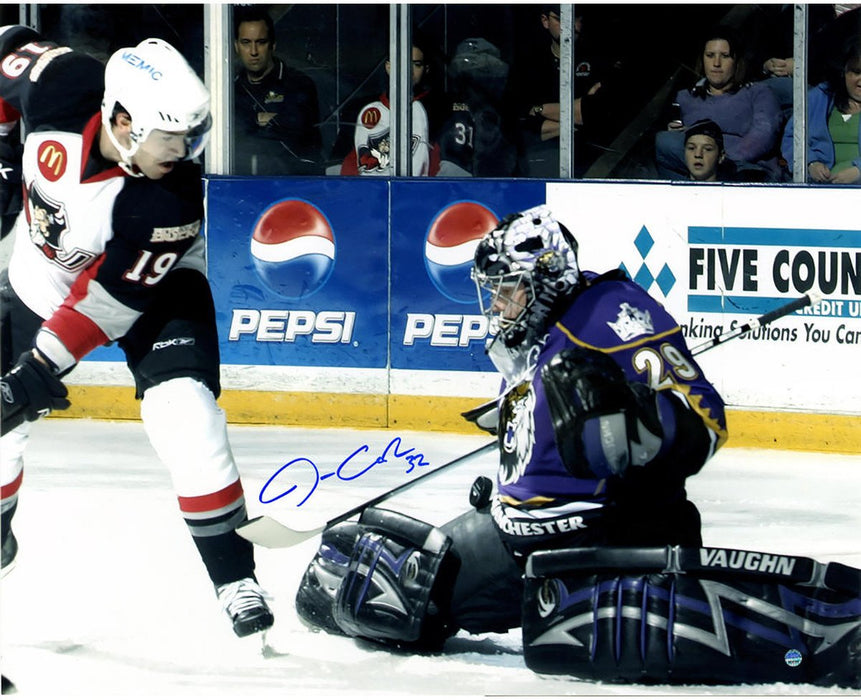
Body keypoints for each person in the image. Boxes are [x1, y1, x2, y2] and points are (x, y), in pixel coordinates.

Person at [290, 205, 861, 687]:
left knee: (581, 650)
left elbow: (704, 421)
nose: (497, 304)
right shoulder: (531, 340)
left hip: (608, 532)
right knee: (384, 602)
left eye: (509, 289)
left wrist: (627, 421)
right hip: (520, 536)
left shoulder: (609, 312)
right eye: (495, 291)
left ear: (545, 278)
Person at [0, 25, 273, 638]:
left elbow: (109, 302)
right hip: (37, 279)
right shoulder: (62, 83)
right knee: (1, 438)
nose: (186, 148)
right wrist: (1, 149)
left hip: (154, 293)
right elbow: (5, 47)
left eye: (190, 133)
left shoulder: (170, 198)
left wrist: (40, 370)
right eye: (171, 133)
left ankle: (235, 578)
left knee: (187, 417)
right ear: (122, 119)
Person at [508, 5, 626, 177]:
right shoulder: (530, 66)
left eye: (577, 19)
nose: (572, 26)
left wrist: (540, 109)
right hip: (538, 159)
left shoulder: (600, 62)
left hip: (592, 160)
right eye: (562, 18)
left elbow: (597, 113)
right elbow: (520, 123)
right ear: (545, 21)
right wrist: (578, 115)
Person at [655, 25, 784, 182]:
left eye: (725, 56)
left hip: (745, 169)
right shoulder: (685, 97)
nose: (716, 63)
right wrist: (679, 135)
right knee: (665, 141)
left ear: (737, 61)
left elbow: (765, 132)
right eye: (710, 55)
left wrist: (721, 158)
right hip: (702, 166)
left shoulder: (758, 92)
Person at [233, 5, 322, 175]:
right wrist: (262, 121)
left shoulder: (298, 84)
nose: (253, 51)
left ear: (272, 45)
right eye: (246, 43)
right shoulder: (230, 89)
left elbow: (298, 134)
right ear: (236, 46)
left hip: (290, 184)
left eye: (261, 42)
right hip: (242, 184)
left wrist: (248, 123)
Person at [340, 42, 438, 176]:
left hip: (421, 193)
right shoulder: (359, 108)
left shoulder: (438, 109)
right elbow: (338, 166)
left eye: (416, 64)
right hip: (367, 193)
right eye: (401, 63)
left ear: (426, 69)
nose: (408, 70)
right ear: (388, 67)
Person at [781, 38, 861, 184]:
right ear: (844, 71)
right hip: (818, 189)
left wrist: (858, 172)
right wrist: (810, 163)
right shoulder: (821, 96)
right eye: (856, 72)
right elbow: (792, 137)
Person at [435, 37, 518, 177]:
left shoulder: (502, 109)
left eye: (481, 70)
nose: (474, 76)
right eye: (466, 71)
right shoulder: (443, 104)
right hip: (451, 184)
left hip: (493, 183)